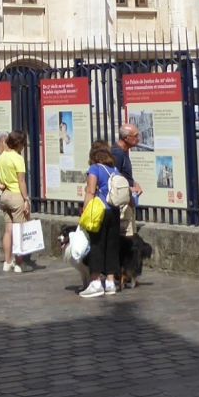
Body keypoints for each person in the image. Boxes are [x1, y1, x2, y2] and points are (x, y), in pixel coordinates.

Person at [79, 141, 122, 299]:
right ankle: (110, 282)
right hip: (115, 211)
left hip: (100, 211)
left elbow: (90, 191)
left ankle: (95, 282)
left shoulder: (95, 168)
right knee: (111, 246)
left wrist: (85, 211)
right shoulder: (115, 170)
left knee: (96, 245)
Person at [0, 130, 32, 273]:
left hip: (5, 195)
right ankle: (19, 263)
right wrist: (26, 199)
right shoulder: (18, 159)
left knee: (8, 230)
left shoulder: (3, 157)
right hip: (16, 196)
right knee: (19, 230)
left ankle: (7, 262)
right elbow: (21, 181)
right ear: (19, 144)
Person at [112, 123, 145, 289]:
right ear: (126, 138)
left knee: (128, 238)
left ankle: (126, 274)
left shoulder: (124, 152)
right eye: (136, 135)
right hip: (123, 203)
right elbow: (114, 178)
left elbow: (124, 176)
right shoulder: (117, 154)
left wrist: (134, 183)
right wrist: (129, 188)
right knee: (125, 239)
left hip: (128, 200)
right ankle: (121, 274)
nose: (138, 138)